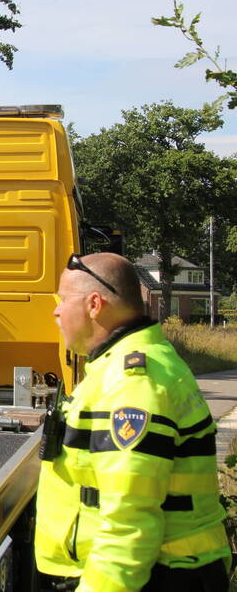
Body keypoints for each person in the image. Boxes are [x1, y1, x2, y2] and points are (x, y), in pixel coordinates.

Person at [35, 252, 230, 591]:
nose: (56, 311)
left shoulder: (132, 384)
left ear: (94, 305)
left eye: (63, 300)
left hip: (159, 576)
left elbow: (129, 521)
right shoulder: (122, 368)